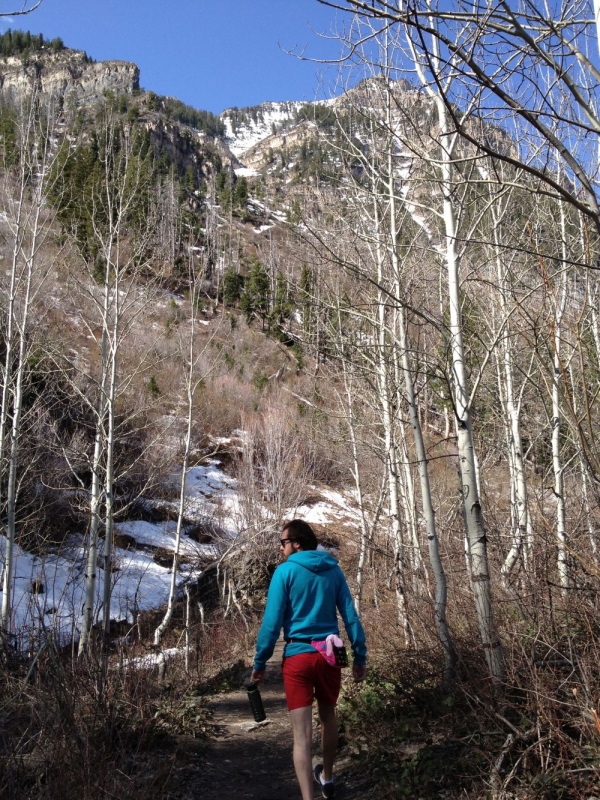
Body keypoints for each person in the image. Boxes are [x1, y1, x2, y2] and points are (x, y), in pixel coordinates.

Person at [250, 519, 367, 800]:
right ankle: (327, 777)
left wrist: (260, 661)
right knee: (329, 716)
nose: (280, 548)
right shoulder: (333, 571)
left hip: (298, 657)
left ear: (297, 543)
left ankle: (308, 797)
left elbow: (272, 623)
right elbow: (350, 616)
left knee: (301, 736)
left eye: (283, 542)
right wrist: (359, 655)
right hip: (329, 656)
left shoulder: (284, 572)